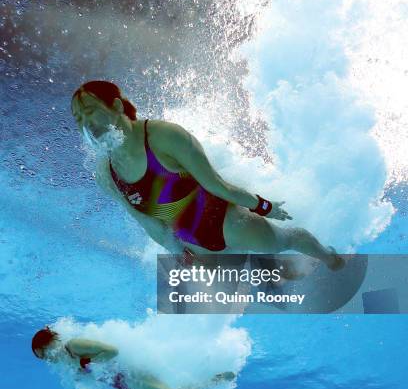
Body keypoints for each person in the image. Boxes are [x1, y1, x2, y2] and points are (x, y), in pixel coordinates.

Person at [71, 79, 344, 269]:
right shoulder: (105, 173)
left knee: (284, 241)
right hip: (193, 243)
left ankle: (328, 257)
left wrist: (264, 206)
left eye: (91, 111)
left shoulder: (163, 136)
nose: (86, 124)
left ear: (117, 106)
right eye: (79, 119)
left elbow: (218, 185)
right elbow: (148, 222)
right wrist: (178, 254)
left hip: (227, 221)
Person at [32, 326, 235, 389]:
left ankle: (215, 379)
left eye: (45, 354)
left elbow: (112, 351)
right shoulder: (67, 361)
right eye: (44, 359)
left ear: (48, 344)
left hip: (133, 374)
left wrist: (85, 364)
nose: (49, 360)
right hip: (121, 386)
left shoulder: (74, 345)